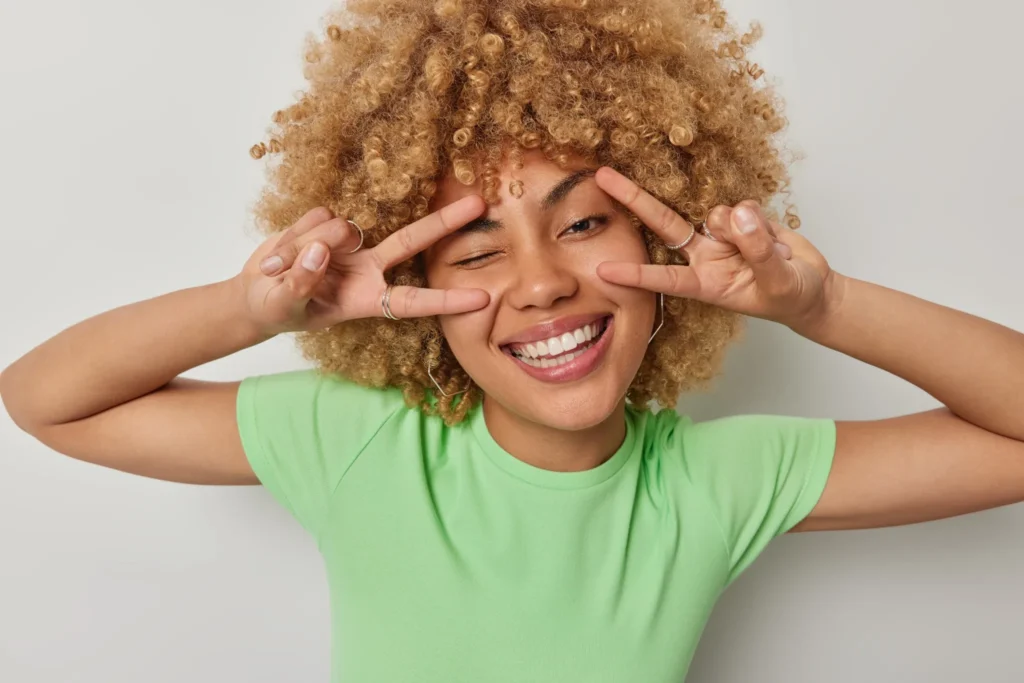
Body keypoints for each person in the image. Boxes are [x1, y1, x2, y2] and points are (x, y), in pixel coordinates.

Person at [2, 0, 1023, 681]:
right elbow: (47, 397)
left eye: (583, 223)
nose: (540, 282)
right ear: (414, 289)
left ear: (668, 228)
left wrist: (822, 305)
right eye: (477, 252)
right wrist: (256, 310)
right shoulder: (362, 443)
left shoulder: (713, 482)